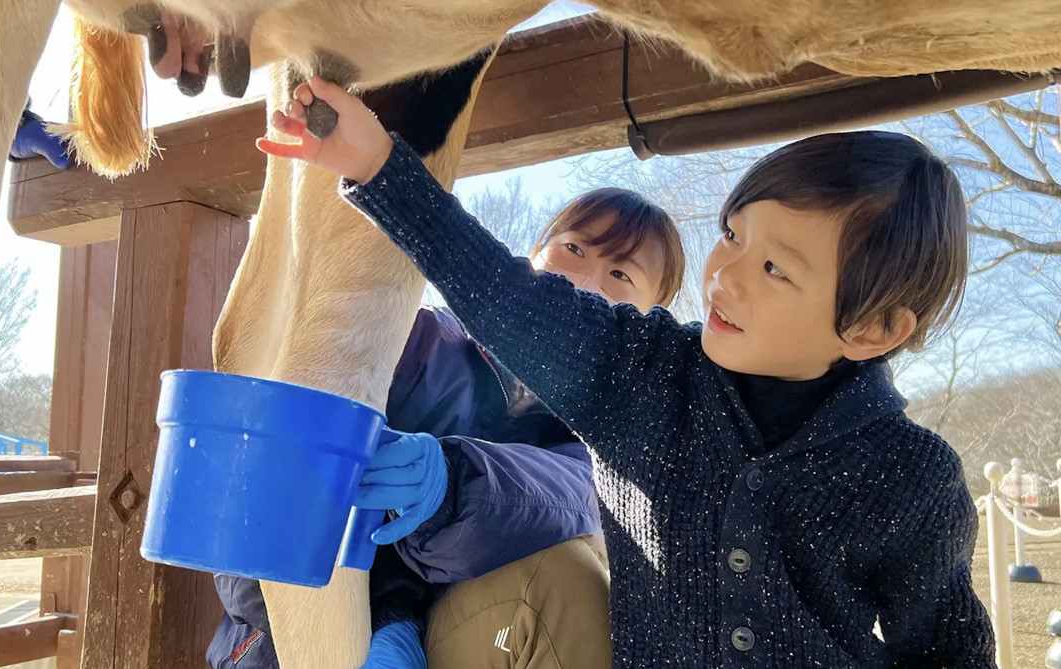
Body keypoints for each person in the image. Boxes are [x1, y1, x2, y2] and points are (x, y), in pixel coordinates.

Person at [255, 76, 998, 667]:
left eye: (774, 267)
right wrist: (379, 167)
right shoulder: (644, 377)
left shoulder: (911, 477)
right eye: (733, 235)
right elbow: (507, 296)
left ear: (872, 328)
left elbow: (947, 648)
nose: (726, 278)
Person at [207, 188, 686, 669]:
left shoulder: (601, 450)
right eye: (574, 249)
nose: (583, 281)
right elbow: (251, 492)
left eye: (621, 275)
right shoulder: (413, 341)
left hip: (465, 640)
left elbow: (567, 501)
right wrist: (379, 624)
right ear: (535, 253)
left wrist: (450, 483)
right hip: (286, 641)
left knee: (573, 573)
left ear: (650, 323)